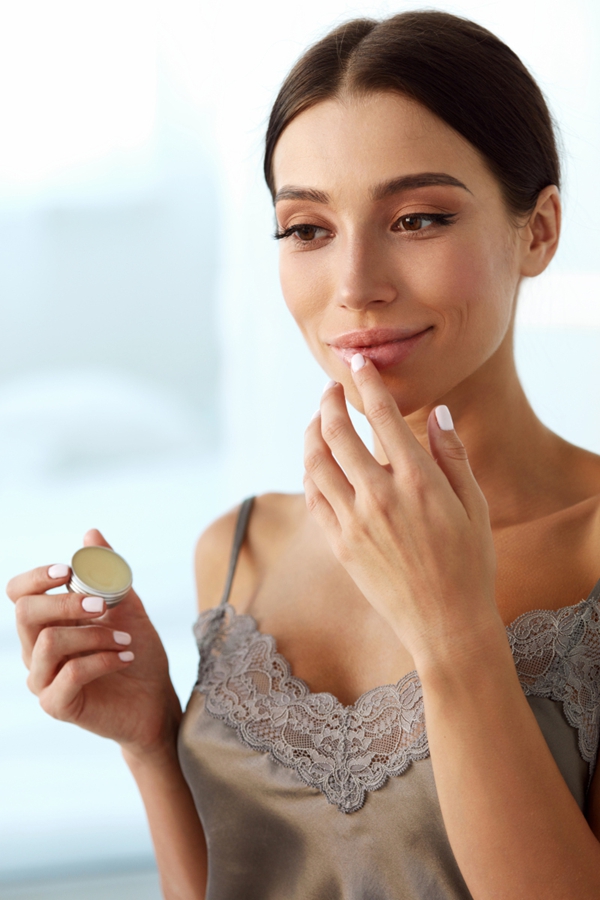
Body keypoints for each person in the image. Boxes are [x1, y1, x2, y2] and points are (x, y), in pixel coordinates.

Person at [7, 9, 600, 899]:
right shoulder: (238, 550)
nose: (355, 286)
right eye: (308, 229)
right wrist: (152, 742)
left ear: (539, 230)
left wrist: (452, 631)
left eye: (418, 218)